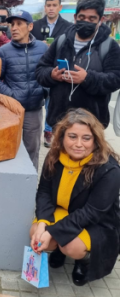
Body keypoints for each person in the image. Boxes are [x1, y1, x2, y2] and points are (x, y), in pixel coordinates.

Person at [30, 108, 120, 286]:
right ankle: (58, 246)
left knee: (71, 246)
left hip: (96, 221)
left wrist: (53, 232)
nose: (79, 144)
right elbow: (44, 192)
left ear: (95, 140)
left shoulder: (109, 169)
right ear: (62, 137)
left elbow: (92, 212)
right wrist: (43, 223)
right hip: (64, 210)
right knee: (36, 233)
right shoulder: (54, 156)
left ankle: (84, 259)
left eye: (86, 138)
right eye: (72, 136)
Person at [35, 0, 120, 129]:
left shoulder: (109, 46)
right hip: (60, 121)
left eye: (92, 18)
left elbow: (116, 79)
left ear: (101, 20)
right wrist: (52, 74)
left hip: (92, 125)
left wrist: (88, 78)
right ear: (75, 18)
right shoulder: (61, 41)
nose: (86, 21)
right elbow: (40, 70)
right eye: (82, 17)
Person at [0, 9, 48, 168]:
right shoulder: (3, 51)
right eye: (12, 24)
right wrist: (11, 96)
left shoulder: (42, 49)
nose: (14, 28)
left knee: (32, 150)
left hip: (33, 110)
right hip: (11, 111)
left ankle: (30, 189)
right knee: (9, 150)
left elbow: (48, 74)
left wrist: (43, 91)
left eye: (19, 24)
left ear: (30, 26)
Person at [33, 0, 70, 148]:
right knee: (35, 101)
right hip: (37, 69)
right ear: (45, 7)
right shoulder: (35, 25)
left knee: (51, 103)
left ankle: (48, 131)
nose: (51, 8)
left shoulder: (68, 26)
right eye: (48, 5)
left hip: (56, 70)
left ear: (60, 7)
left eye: (54, 5)